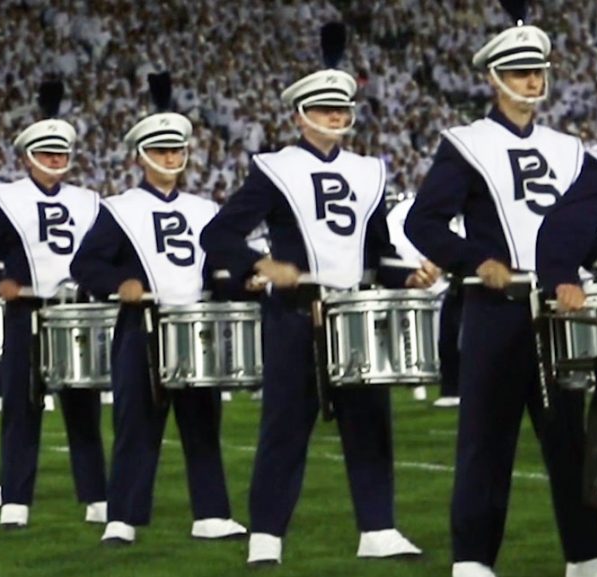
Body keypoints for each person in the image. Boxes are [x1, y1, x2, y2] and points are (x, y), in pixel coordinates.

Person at [201, 24, 431, 564]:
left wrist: (409, 275)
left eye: (341, 107)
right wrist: (262, 264)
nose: (335, 115)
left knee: (371, 423)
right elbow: (217, 236)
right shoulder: (274, 169)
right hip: (295, 314)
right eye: (324, 108)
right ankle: (266, 534)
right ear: (300, 112)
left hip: (353, 314)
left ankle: (378, 528)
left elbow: (376, 255)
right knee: (284, 425)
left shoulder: (369, 171)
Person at [405, 10, 597, 577]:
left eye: (537, 71)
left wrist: (576, 270)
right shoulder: (465, 144)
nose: (531, 82)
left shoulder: (573, 150)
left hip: (558, 315)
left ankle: (588, 555)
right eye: (519, 72)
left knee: (570, 441)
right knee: (485, 442)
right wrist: (478, 262)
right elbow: (425, 224)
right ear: (494, 78)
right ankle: (473, 561)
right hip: (497, 310)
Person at [71, 96, 246, 545]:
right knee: (136, 422)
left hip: (195, 326)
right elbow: (85, 265)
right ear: (142, 155)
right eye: (161, 150)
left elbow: (217, 272)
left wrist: (247, 282)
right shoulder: (119, 208)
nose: (171, 157)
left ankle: (211, 513)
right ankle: (123, 516)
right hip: (142, 325)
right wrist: (120, 284)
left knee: (204, 421)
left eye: (176, 150)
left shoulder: (206, 209)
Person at [0, 98, 109, 529]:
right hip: (28, 314)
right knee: (22, 408)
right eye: (47, 153)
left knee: (83, 409)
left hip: (75, 314)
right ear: (27, 158)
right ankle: (16, 500)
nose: (56, 160)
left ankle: (96, 497)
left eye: (61, 153)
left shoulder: (90, 200)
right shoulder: (5, 199)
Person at [386, 194, 463, 408]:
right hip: (417, 278)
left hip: (443, 280)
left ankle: (445, 384)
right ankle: (418, 377)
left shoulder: (421, 211)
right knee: (414, 333)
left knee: (445, 332)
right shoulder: (403, 212)